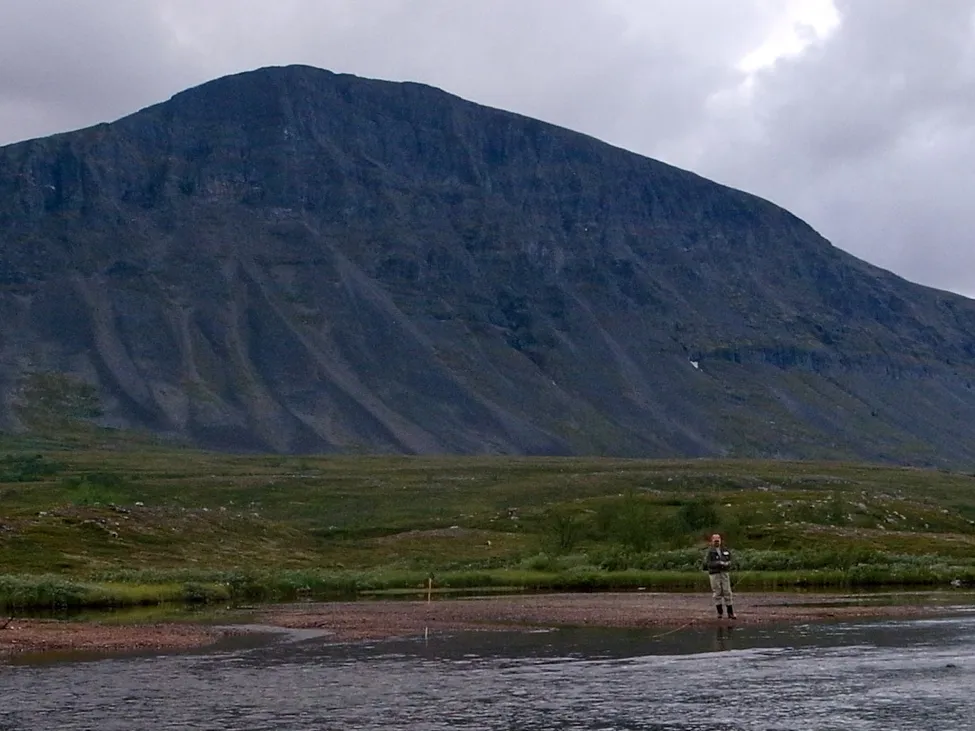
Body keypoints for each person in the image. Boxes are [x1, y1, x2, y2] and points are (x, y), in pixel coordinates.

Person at [702, 533, 735, 619]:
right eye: (715, 540)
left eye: (718, 540)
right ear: (712, 541)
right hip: (714, 574)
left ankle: (730, 613)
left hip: (724, 573)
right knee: (717, 592)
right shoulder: (710, 552)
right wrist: (719, 563)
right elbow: (708, 564)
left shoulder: (726, 550)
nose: (716, 542)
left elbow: (731, 560)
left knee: (727, 591)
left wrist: (728, 564)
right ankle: (720, 612)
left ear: (720, 540)